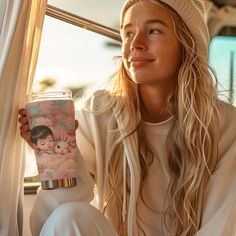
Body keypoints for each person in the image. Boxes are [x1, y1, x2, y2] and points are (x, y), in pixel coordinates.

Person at [18, 0, 236, 235]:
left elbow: (221, 228)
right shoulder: (100, 112)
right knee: (71, 216)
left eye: (154, 31)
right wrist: (53, 159)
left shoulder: (226, 126)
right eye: (129, 32)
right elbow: (52, 223)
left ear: (187, 44)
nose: (135, 44)